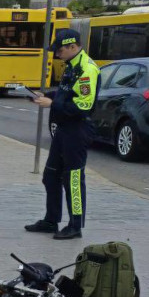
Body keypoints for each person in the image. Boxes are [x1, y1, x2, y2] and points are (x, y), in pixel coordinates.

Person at [25, 29, 100, 240]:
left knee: (73, 179)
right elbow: (66, 92)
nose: (57, 55)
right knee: (50, 175)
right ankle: (51, 220)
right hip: (64, 128)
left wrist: (52, 103)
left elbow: (83, 105)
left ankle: (75, 226)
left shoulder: (87, 69)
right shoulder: (71, 65)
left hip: (77, 129)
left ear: (72, 47)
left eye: (60, 51)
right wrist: (45, 95)